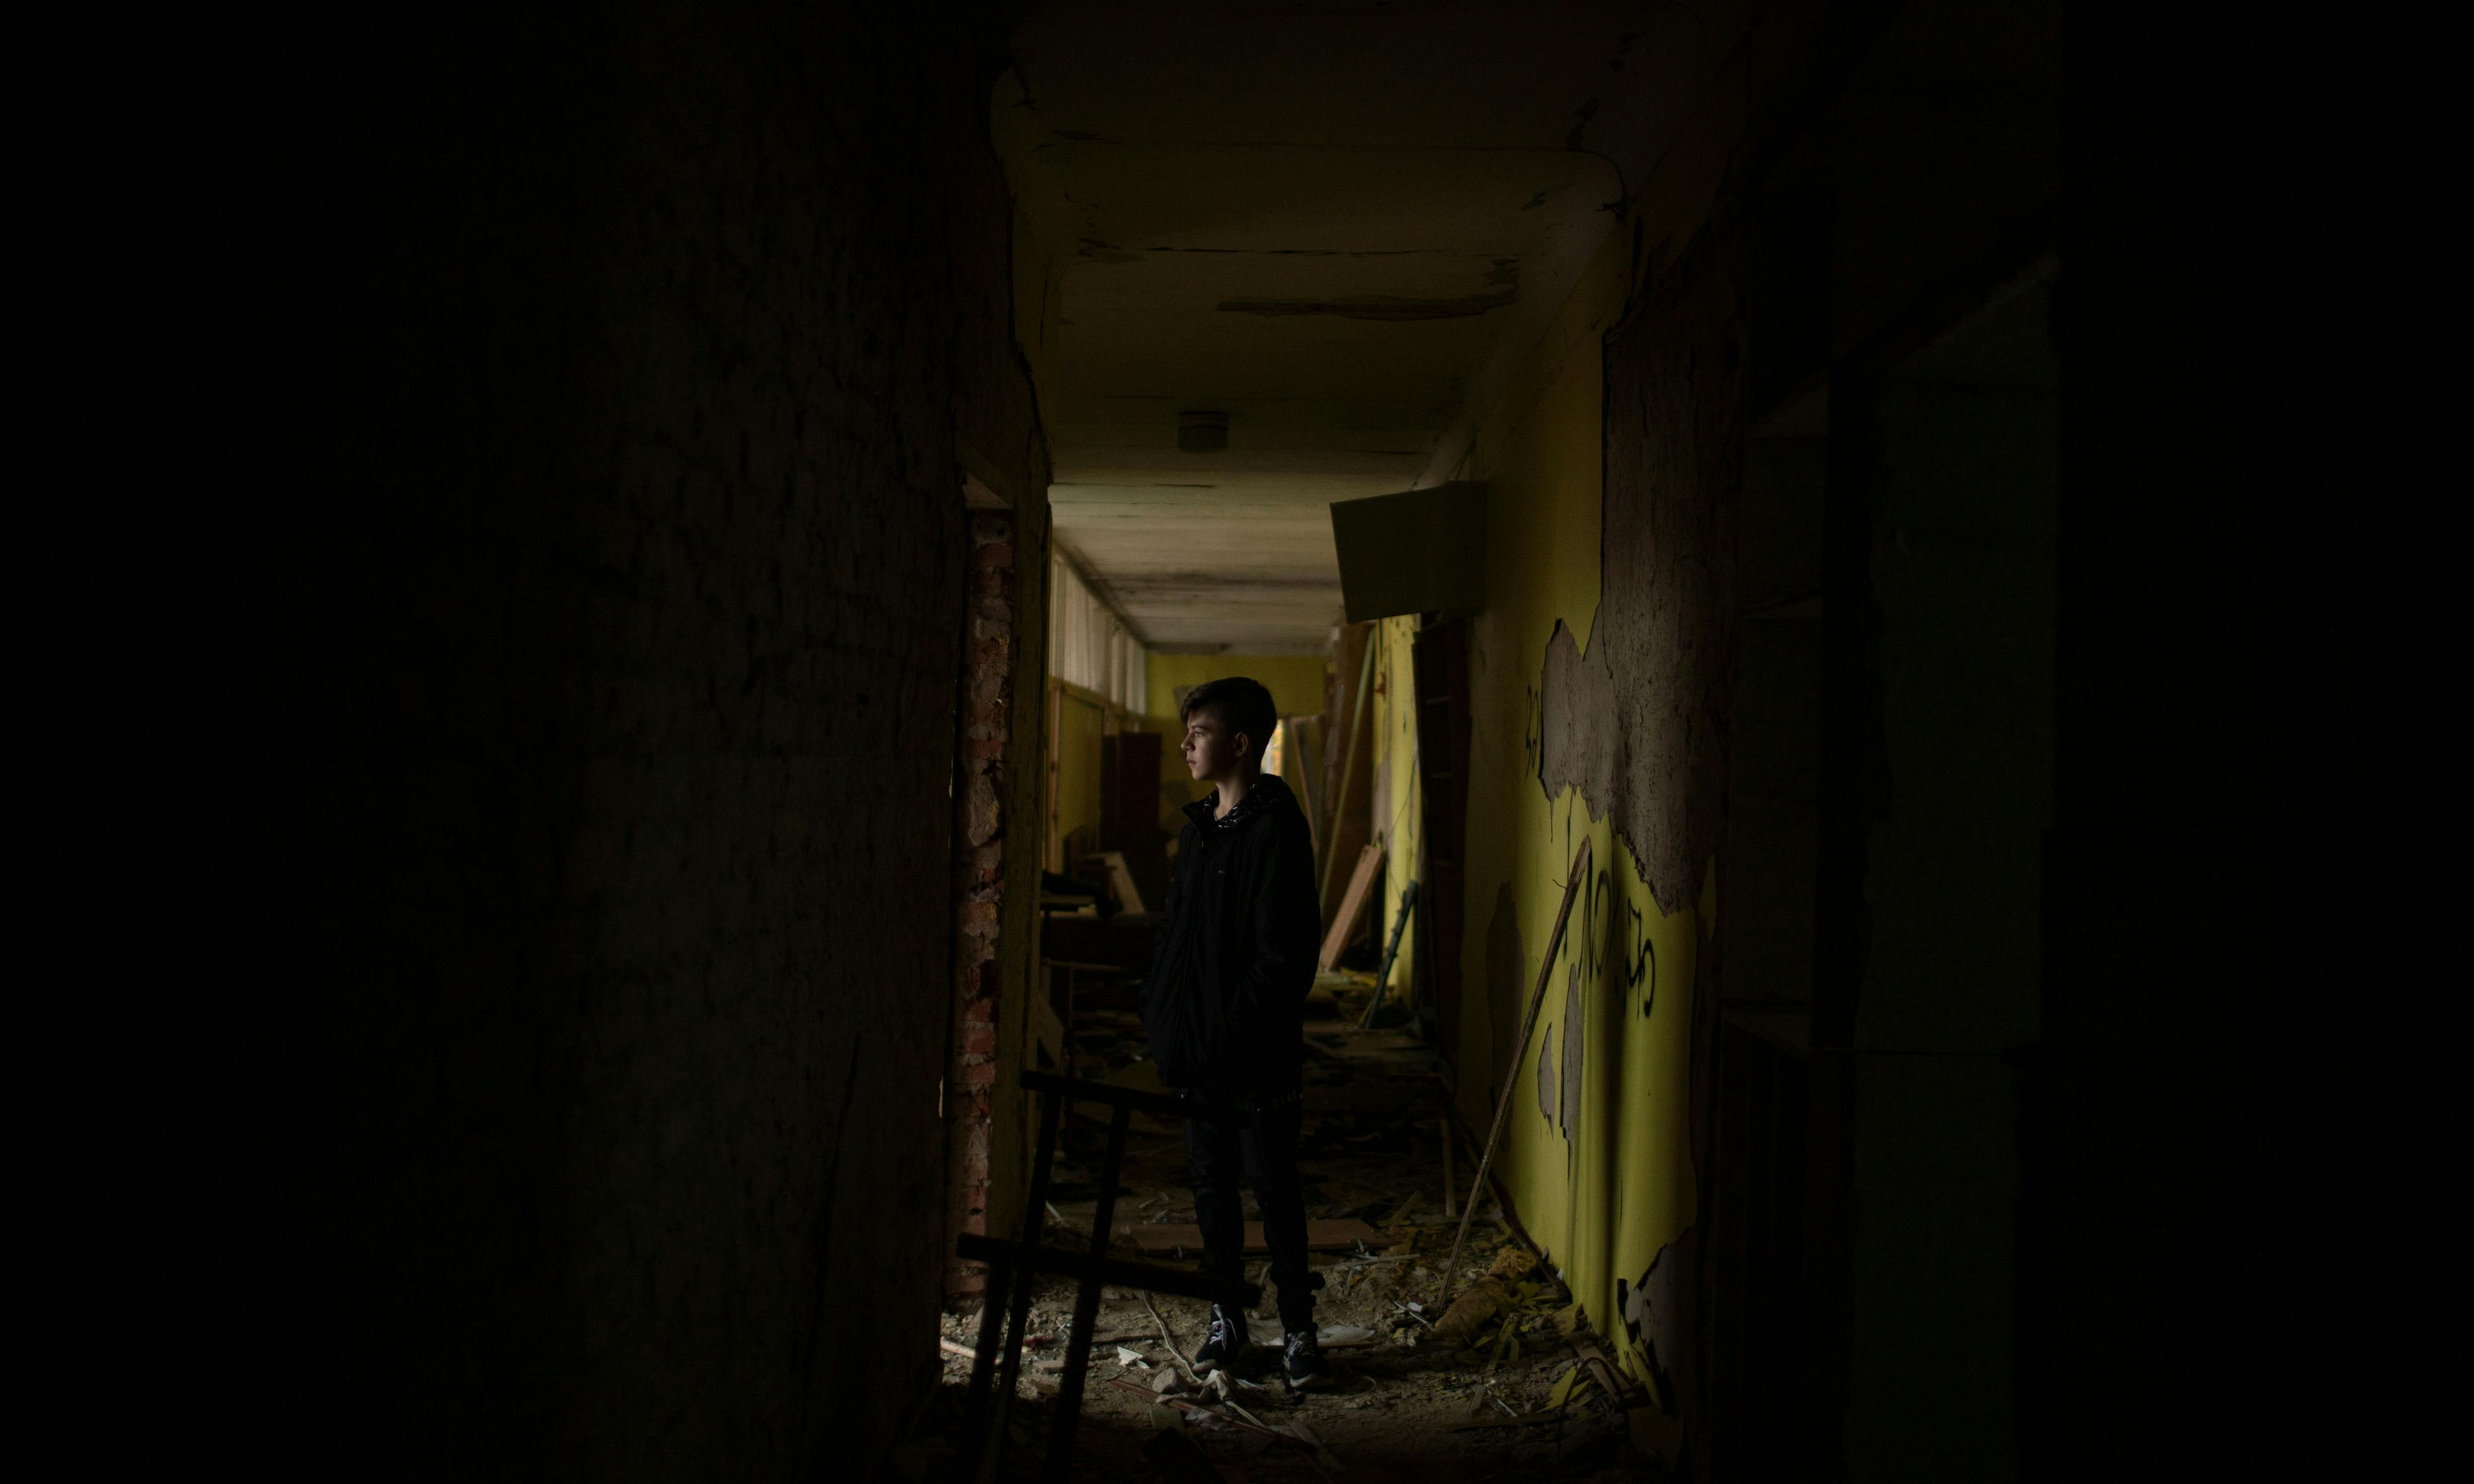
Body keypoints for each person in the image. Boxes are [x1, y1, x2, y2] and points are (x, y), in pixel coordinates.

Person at [1140, 676, 1332, 1391]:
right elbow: (1175, 940)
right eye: (1187, 730)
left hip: (1257, 1054)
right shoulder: (1197, 835)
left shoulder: (1278, 829)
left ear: (1241, 744)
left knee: (1275, 1188)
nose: (1187, 743)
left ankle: (1299, 1331)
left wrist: (1232, 1030)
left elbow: (1285, 954)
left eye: (1200, 732)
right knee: (1212, 1190)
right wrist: (1163, 1017)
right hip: (1199, 1052)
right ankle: (1227, 1319)